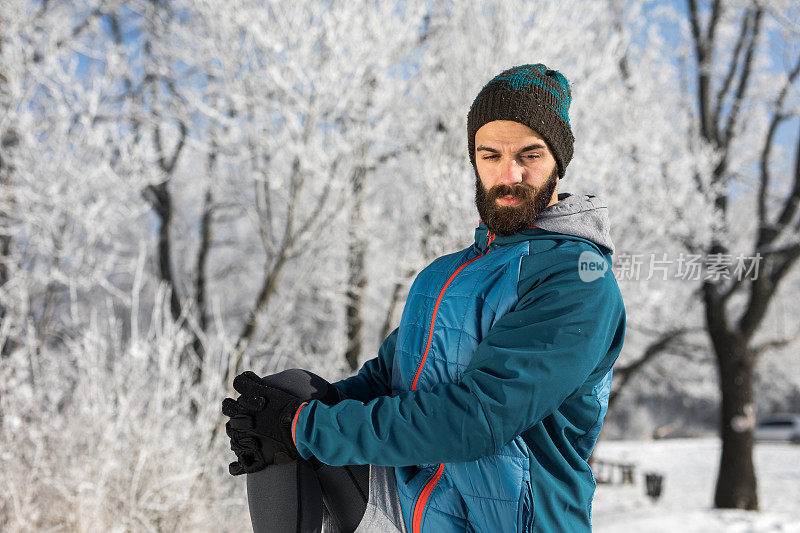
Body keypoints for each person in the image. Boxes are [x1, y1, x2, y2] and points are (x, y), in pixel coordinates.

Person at [222, 63, 626, 533]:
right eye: (489, 155)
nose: (508, 174)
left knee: (304, 426)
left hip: (508, 522)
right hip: (412, 508)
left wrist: (303, 429)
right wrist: (280, 418)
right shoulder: (443, 276)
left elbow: (478, 418)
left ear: (559, 159)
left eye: (529, 155)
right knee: (288, 392)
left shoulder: (577, 279)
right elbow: (387, 380)